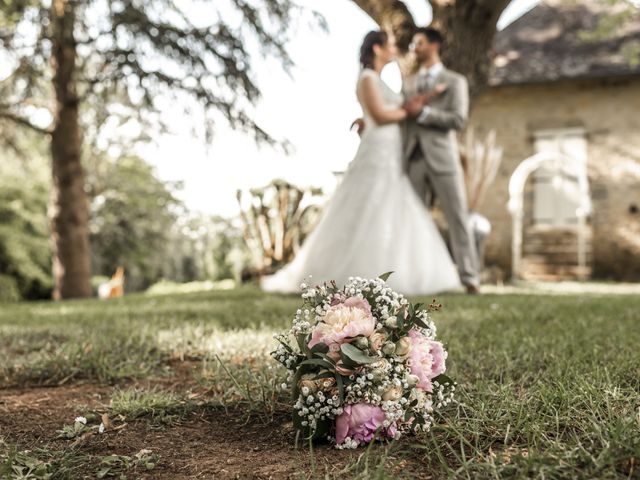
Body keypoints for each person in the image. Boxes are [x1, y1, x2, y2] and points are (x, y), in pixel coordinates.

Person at [260, 31, 460, 296]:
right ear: (377, 49)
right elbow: (379, 114)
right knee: (367, 204)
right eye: (389, 45)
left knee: (391, 206)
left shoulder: (377, 80)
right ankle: (347, 272)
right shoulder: (367, 78)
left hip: (390, 149)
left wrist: (418, 102)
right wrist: (410, 110)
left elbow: (384, 111)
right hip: (377, 149)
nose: (394, 49)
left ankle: (396, 270)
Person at [402, 27, 480, 294]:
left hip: (443, 157)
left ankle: (470, 277)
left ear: (434, 46)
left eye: (419, 43)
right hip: (412, 157)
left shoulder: (455, 81)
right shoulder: (408, 83)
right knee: (413, 219)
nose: (414, 47)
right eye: (413, 43)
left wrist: (423, 112)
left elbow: (458, 120)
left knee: (458, 216)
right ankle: (416, 277)